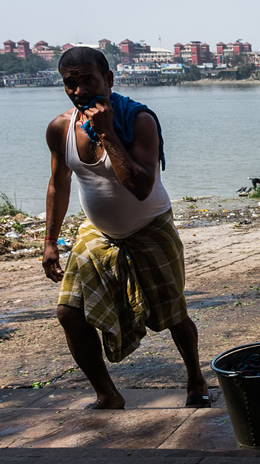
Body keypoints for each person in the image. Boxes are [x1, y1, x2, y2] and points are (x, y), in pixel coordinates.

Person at [41, 46, 209, 409]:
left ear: (109, 80)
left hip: (151, 227)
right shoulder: (60, 128)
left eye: (89, 80)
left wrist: (107, 134)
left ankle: (196, 378)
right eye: (71, 83)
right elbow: (59, 184)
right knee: (68, 313)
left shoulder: (139, 121)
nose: (81, 90)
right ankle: (107, 394)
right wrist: (50, 241)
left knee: (173, 314)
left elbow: (140, 186)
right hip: (97, 234)